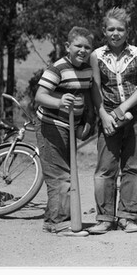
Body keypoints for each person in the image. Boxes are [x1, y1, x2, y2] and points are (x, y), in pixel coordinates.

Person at [88, 7, 137, 234]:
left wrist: (123, 108)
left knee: (132, 167)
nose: (115, 33)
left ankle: (127, 217)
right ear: (104, 31)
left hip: (135, 118)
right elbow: (95, 88)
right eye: (111, 29)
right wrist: (104, 115)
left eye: (120, 29)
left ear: (127, 31)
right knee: (106, 167)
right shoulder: (96, 56)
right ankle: (105, 218)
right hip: (108, 119)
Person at [33, 26, 96, 234]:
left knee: (67, 175)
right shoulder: (57, 68)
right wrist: (59, 102)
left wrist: (84, 123)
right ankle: (57, 223)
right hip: (50, 126)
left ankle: (58, 220)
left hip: (69, 127)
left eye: (87, 47)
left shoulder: (87, 70)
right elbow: (40, 96)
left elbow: (85, 97)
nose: (83, 50)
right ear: (68, 46)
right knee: (59, 176)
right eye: (78, 45)